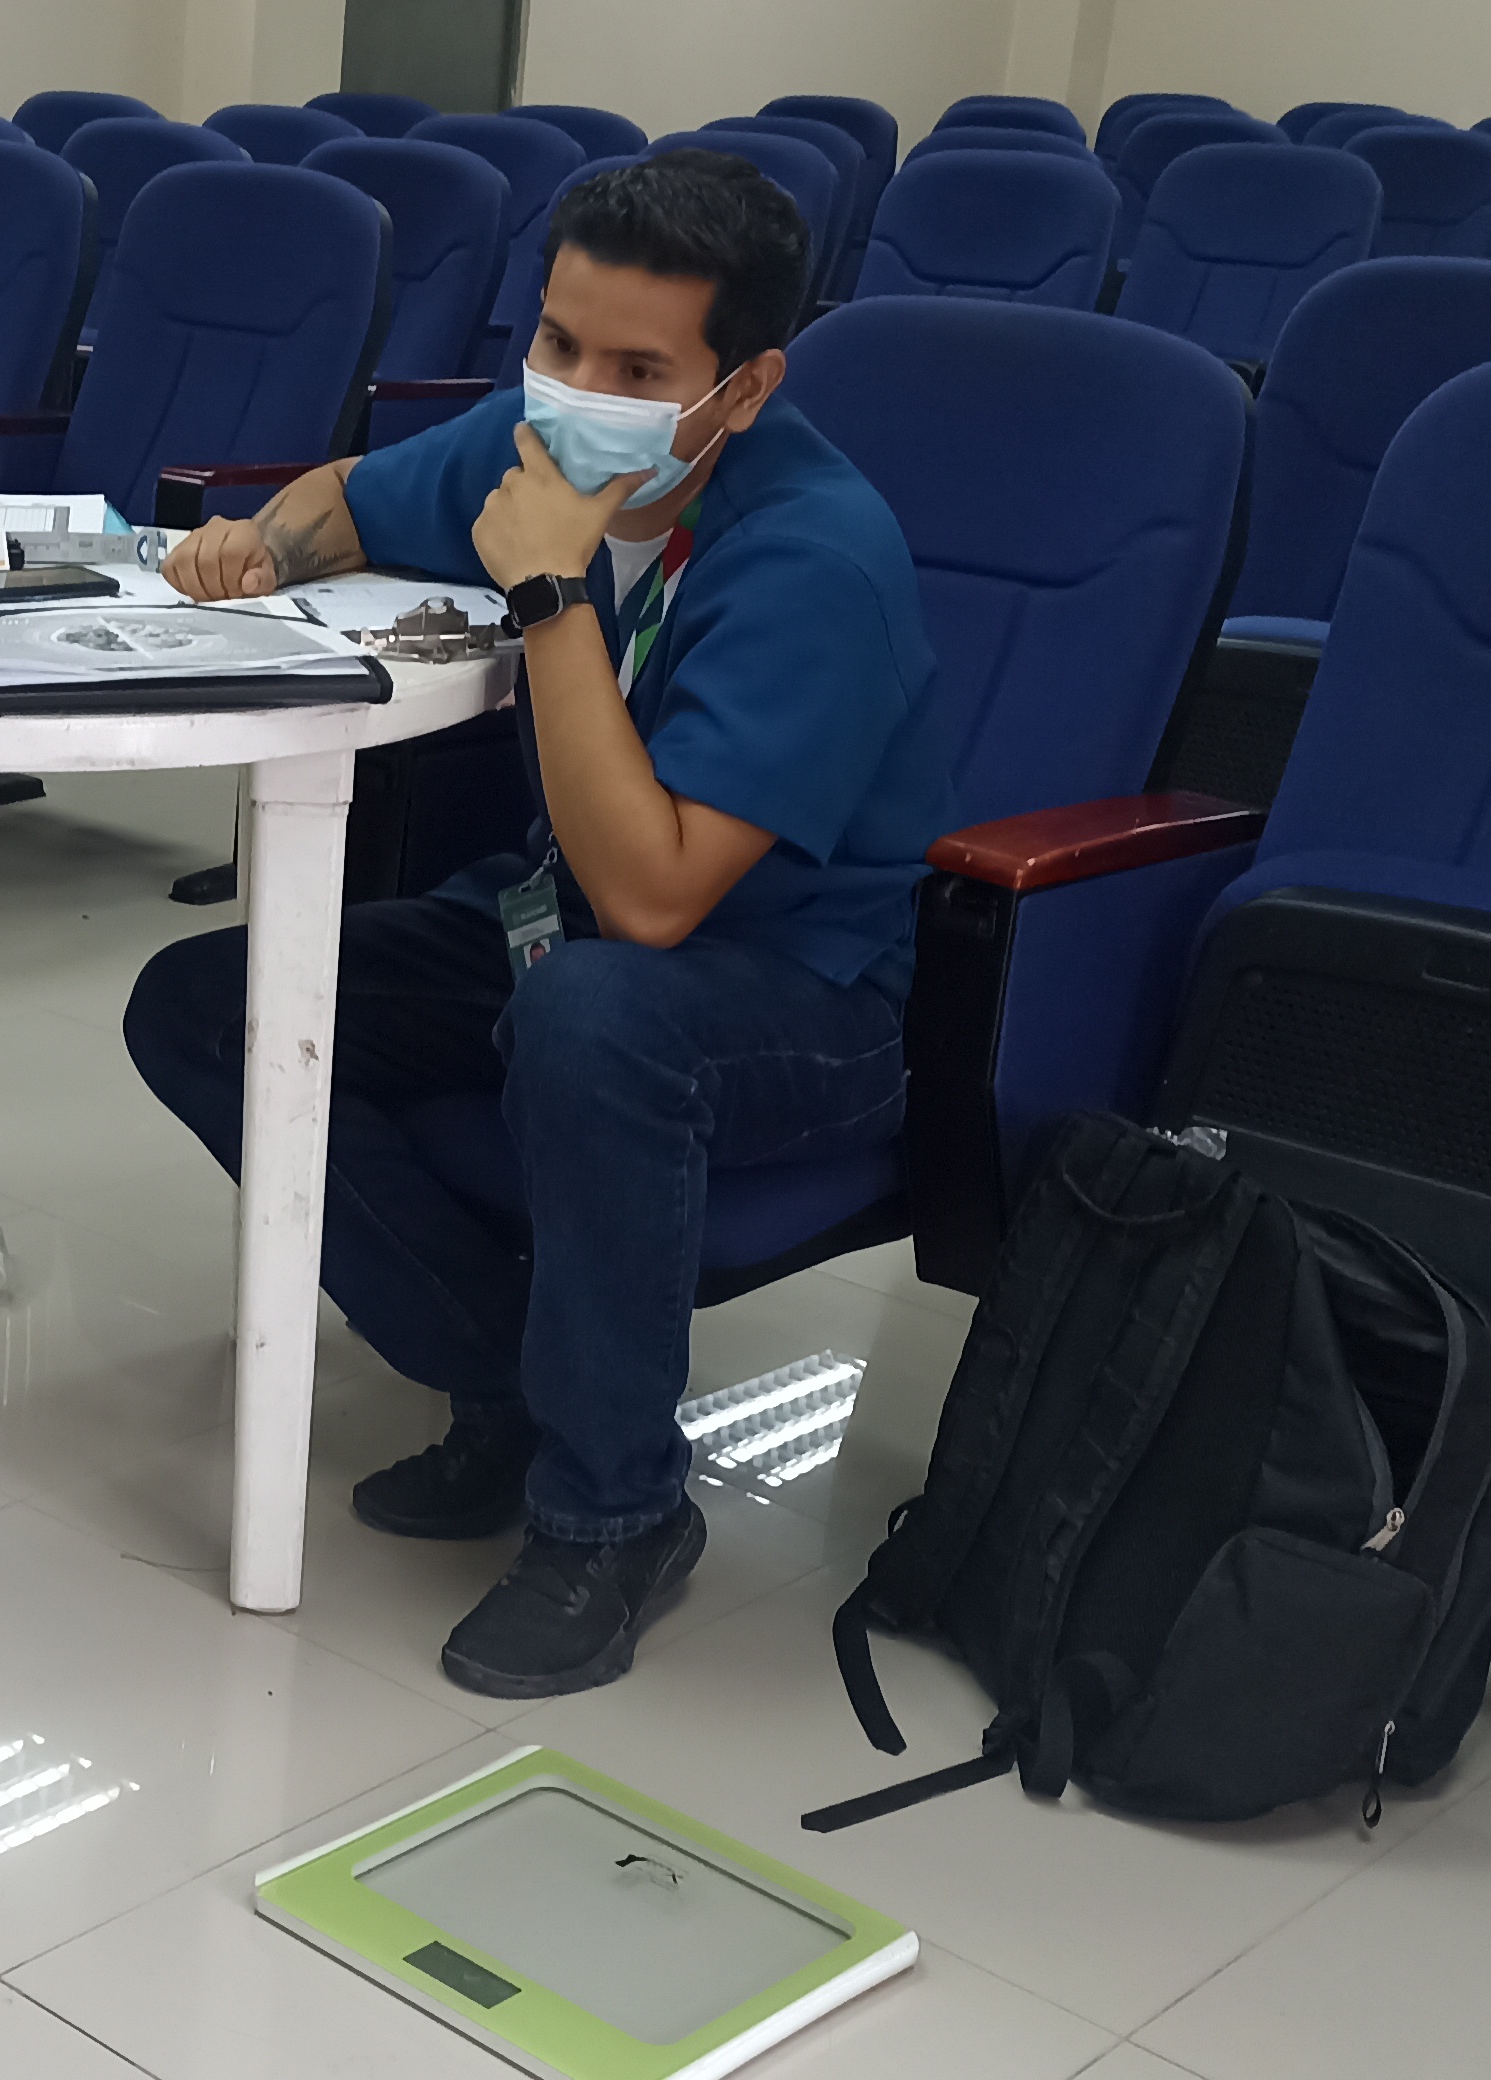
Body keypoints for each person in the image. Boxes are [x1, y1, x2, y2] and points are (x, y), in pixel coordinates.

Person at [122, 149, 951, 1701]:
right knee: (206, 1002)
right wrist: (263, 547)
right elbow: (346, 499)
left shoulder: (813, 556)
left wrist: (554, 595)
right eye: (561, 342)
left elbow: (654, 899)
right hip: (563, 927)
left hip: (807, 994)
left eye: (638, 370)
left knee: (594, 1008)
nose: (578, 391)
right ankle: (508, 1380)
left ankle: (614, 1514)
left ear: (745, 387)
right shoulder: (546, 451)